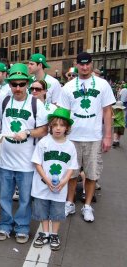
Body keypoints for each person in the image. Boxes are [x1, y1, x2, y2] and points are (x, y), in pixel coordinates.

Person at [0, 59, 48, 244]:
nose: (18, 88)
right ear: (9, 84)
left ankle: (22, 227)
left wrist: (27, 132)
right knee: (4, 197)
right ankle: (5, 225)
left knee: (25, 199)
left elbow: (43, 130)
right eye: (14, 84)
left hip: (27, 162)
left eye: (21, 84)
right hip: (5, 160)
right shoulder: (3, 99)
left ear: (27, 83)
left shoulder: (36, 104)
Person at [58, 52, 115, 222]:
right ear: (77, 64)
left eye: (87, 64)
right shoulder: (68, 87)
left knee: (91, 174)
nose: (84, 67)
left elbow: (107, 111)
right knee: (72, 174)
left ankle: (87, 205)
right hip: (72, 137)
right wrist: (61, 135)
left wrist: (107, 136)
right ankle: (69, 203)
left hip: (93, 137)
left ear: (91, 64)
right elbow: (64, 113)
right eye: (81, 64)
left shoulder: (102, 84)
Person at [31, 108, 78, 251]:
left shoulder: (70, 146)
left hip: (59, 187)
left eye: (62, 125)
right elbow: (37, 163)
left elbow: (71, 167)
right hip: (42, 185)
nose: (58, 128)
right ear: (50, 126)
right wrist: (46, 179)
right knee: (42, 210)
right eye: (55, 125)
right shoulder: (44, 142)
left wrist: (64, 182)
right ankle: (45, 233)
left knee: (57, 212)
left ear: (67, 128)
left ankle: (54, 234)